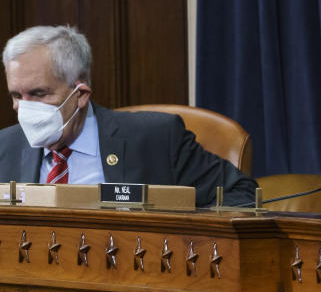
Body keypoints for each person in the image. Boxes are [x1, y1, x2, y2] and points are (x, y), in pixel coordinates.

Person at [0, 25, 257, 207]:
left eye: (39, 94)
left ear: (80, 95)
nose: (24, 108)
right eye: (16, 96)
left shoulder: (157, 138)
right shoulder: (5, 147)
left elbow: (242, 195)